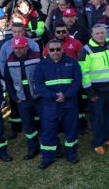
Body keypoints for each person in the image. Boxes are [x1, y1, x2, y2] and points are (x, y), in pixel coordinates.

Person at [34, 38, 83, 169]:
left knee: (71, 129)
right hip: (50, 104)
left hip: (69, 103)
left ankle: (71, 154)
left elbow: (77, 81)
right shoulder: (41, 66)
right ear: (47, 51)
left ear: (62, 49)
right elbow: (38, 85)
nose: (55, 52)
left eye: (58, 49)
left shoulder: (72, 63)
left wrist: (66, 95)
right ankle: (47, 157)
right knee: (48, 131)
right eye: (52, 49)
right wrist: (54, 96)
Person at [79, 24, 109, 155]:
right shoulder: (86, 50)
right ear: (92, 35)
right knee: (97, 117)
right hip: (97, 90)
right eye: (97, 33)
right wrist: (90, 92)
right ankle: (97, 143)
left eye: (102, 32)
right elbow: (83, 73)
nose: (100, 35)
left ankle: (108, 138)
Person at [3, 36, 43, 160]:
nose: (17, 51)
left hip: (38, 97)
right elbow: (8, 81)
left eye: (20, 48)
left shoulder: (37, 57)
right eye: (15, 48)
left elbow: (45, 74)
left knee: (46, 123)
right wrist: (15, 97)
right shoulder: (9, 60)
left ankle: (52, 147)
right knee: (28, 127)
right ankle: (33, 149)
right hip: (22, 99)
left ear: (27, 47)